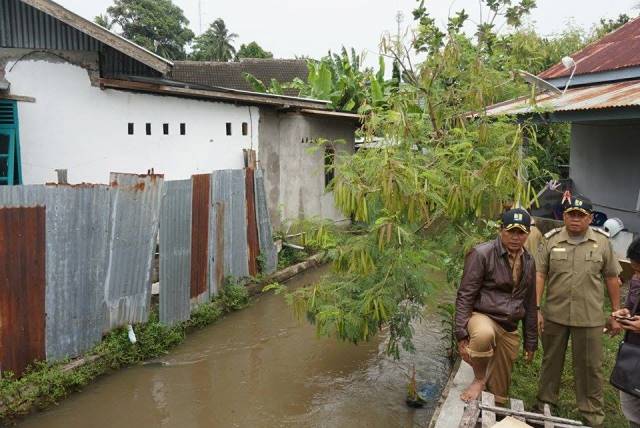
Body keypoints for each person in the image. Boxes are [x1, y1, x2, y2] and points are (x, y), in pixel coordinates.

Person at [535, 196, 622, 428]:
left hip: (589, 317)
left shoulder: (602, 243)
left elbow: (612, 277)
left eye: (580, 215)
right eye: (571, 214)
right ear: (563, 216)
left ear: (590, 218)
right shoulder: (550, 240)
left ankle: (592, 415)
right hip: (555, 314)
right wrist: (535, 309)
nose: (575, 219)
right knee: (550, 362)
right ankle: (545, 405)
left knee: (589, 367)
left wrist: (615, 313)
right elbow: (540, 274)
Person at [455, 208, 537, 403]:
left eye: (521, 232)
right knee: (483, 334)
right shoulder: (482, 254)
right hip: (484, 316)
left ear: (527, 234)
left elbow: (530, 302)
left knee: (499, 395)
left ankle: (494, 412)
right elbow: (465, 295)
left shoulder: (529, 261)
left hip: (509, 325)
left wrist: (531, 341)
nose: (515, 237)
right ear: (501, 230)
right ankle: (479, 378)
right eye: (511, 231)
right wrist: (461, 335)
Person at [612, 237, 640, 428]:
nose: (637, 276)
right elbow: (633, 307)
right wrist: (626, 313)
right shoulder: (637, 280)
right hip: (634, 356)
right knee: (634, 413)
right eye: (636, 271)